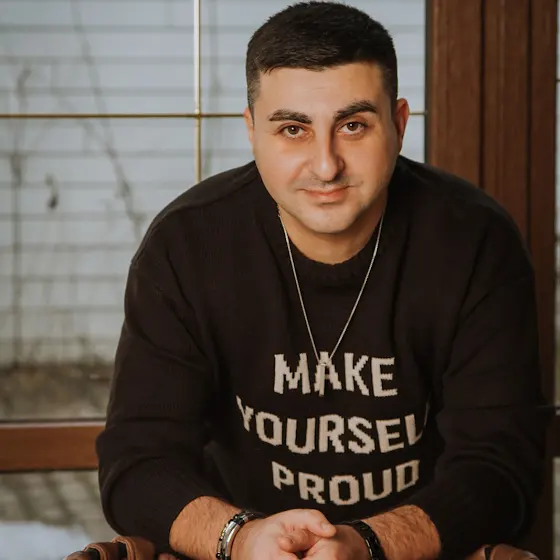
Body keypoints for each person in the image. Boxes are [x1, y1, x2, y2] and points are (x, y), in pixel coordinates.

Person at [96, 2, 547, 559]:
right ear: (252, 130)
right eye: (293, 129)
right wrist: (242, 537)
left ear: (399, 124)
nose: (327, 165)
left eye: (353, 126)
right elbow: (137, 460)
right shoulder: (187, 246)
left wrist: (367, 545)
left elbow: (501, 466)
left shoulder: (474, 240)